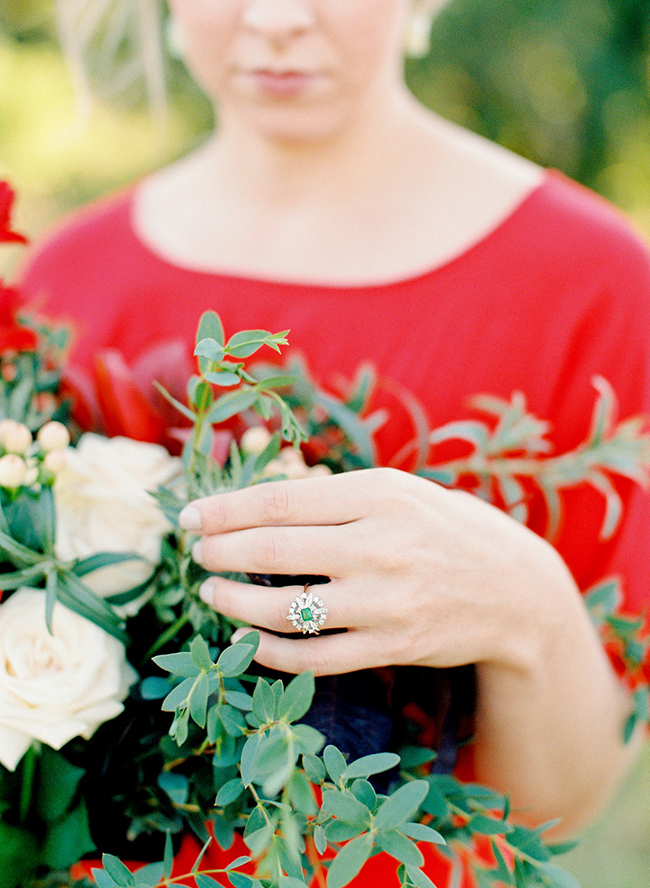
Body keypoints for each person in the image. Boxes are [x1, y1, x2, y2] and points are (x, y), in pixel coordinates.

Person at [19, 0, 650, 884]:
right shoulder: (69, 281)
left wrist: (529, 609)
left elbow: (560, 810)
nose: (276, 18)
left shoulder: (593, 285)